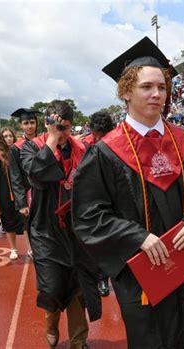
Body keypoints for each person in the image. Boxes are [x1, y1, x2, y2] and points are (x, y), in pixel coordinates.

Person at [72, 37, 184, 348]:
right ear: (126, 92)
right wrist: (137, 236)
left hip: (183, 269)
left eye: (162, 87)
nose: (157, 94)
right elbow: (89, 217)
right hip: (139, 273)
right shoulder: (105, 153)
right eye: (146, 87)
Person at [20, 100, 101, 349]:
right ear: (48, 123)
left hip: (75, 227)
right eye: (58, 127)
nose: (63, 133)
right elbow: (35, 175)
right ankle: (51, 320)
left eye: (66, 128)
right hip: (45, 228)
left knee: (78, 287)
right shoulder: (30, 148)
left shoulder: (82, 149)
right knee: (52, 286)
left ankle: (79, 340)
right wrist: (52, 140)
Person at [77, 111, 115, 298]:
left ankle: (103, 277)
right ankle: (96, 275)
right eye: (96, 134)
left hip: (112, 198)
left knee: (109, 241)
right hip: (91, 198)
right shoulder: (84, 144)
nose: (99, 138)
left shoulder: (116, 143)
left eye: (103, 135)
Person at [9, 108, 41, 257]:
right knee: (28, 223)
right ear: (21, 125)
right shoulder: (16, 148)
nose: (29, 126)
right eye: (26, 123)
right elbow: (15, 177)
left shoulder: (44, 142)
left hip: (44, 189)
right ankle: (31, 249)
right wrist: (21, 203)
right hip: (28, 192)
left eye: (32, 122)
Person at [0, 128, 25, 260]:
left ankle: (30, 248)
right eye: (5, 136)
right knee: (9, 222)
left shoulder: (19, 153)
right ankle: (13, 249)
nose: (9, 138)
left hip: (21, 193)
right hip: (5, 195)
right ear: (1, 139)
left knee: (26, 222)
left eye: (11, 136)